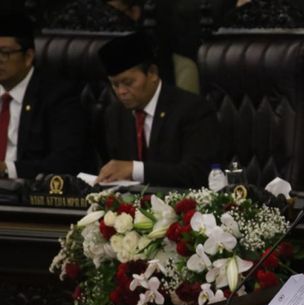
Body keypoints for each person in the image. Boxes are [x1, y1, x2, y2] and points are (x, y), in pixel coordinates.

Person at [96, 32, 220, 187]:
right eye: (115, 85)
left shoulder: (192, 109)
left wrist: (135, 169)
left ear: (152, 74)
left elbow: (197, 173)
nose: (121, 91)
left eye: (128, 82)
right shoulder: (115, 114)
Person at [0, 11, 94, 179]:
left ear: (28, 56)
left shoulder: (58, 96)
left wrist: (8, 169)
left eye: (4, 53)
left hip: (27, 194)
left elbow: (65, 161)